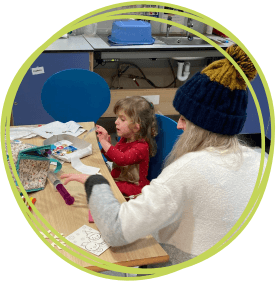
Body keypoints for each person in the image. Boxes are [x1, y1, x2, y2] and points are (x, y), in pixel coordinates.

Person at [61, 44, 267, 266]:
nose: (178, 126)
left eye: (184, 119)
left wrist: (96, 182)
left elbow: (115, 231)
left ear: (202, 125)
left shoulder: (187, 169)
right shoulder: (261, 160)